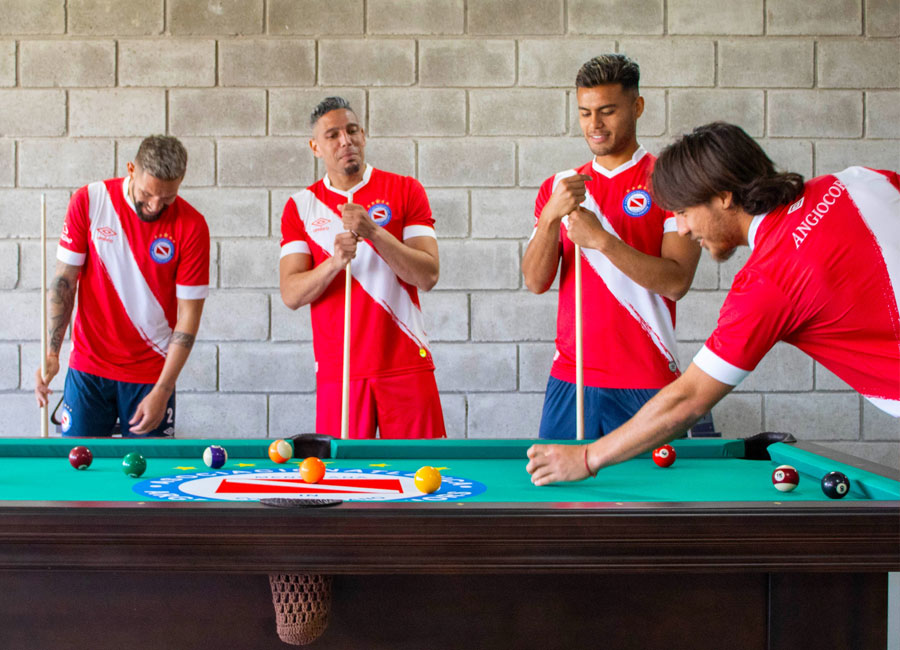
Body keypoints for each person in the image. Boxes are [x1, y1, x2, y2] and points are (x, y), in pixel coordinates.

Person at [527, 121, 899, 485]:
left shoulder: (768, 281)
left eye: (685, 212)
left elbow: (688, 400)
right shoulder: (856, 179)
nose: (684, 229)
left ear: (723, 196)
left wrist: (587, 458)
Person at [521, 54, 702, 440]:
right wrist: (551, 217)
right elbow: (536, 281)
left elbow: (676, 281)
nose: (595, 125)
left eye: (607, 111)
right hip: (573, 375)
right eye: (585, 113)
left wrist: (601, 240)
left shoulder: (670, 181)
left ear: (637, 107)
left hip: (648, 376)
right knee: (561, 498)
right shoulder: (560, 185)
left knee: (650, 500)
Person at [279, 96, 446, 439]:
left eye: (352, 130)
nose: (346, 141)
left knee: (423, 479)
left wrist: (373, 233)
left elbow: (427, 275)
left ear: (364, 136)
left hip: (405, 363)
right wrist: (334, 263)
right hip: (340, 373)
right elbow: (291, 294)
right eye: (333, 135)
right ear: (315, 147)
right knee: (345, 482)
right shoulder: (300, 207)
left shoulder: (405, 190)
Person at [34, 135, 210, 437]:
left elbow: (189, 315)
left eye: (167, 198)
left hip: (151, 375)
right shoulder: (89, 201)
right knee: (79, 474)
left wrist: (163, 389)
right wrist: (52, 354)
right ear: (131, 169)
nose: (155, 206)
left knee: (151, 477)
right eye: (147, 193)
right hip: (88, 367)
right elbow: (64, 283)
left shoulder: (192, 226)